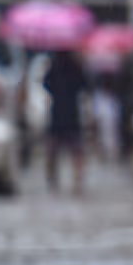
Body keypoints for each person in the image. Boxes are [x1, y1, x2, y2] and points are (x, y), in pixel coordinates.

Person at [43, 50, 91, 195]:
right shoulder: (72, 66)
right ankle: (75, 180)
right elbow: (85, 85)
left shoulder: (56, 65)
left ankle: (57, 180)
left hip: (61, 112)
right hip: (68, 112)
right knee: (69, 148)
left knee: (58, 149)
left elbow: (46, 84)